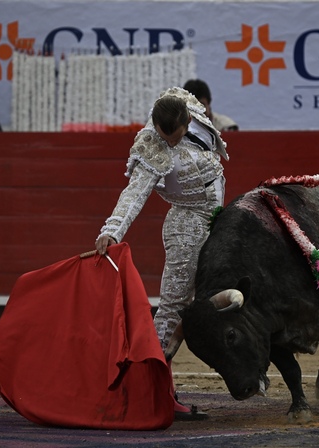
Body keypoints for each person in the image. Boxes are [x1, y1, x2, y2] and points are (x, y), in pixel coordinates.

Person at [95, 86, 229, 420]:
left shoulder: (190, 108)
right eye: (163, 137)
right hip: (186, 225)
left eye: (175, 137)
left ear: (187, 121)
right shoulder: (152, 146)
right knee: (172, 307)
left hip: (217, 221)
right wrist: (112, 229)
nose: (168, 143)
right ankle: (149, 387)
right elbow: (134, 193)